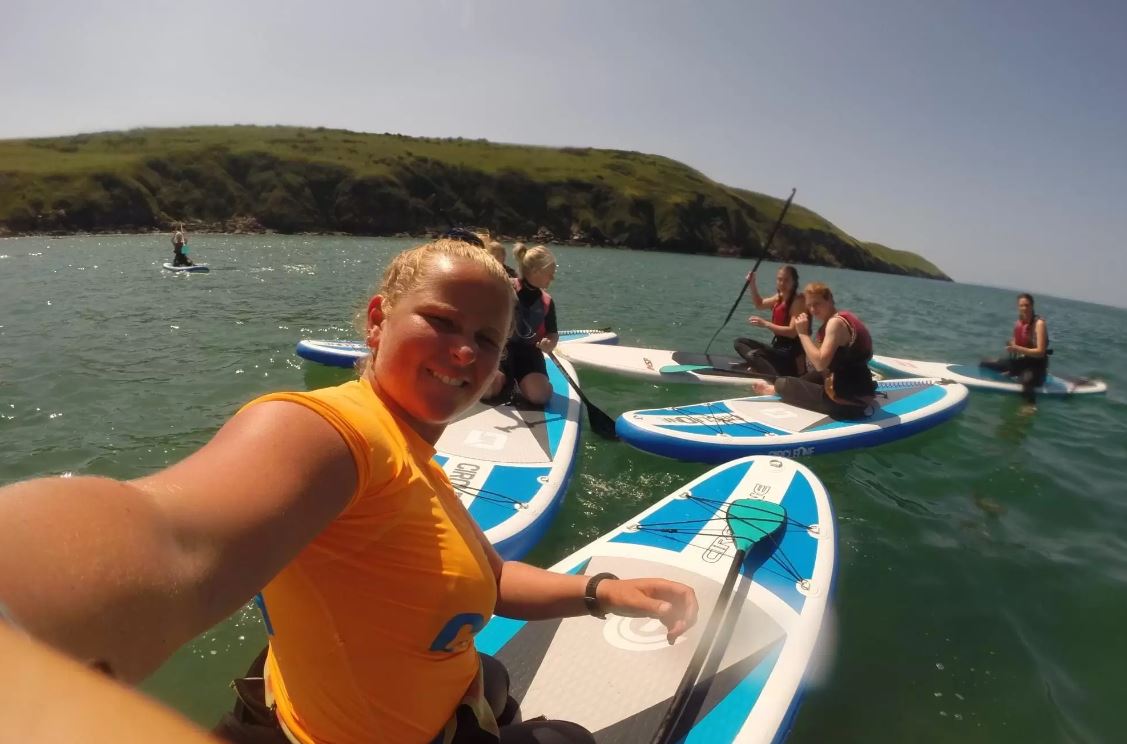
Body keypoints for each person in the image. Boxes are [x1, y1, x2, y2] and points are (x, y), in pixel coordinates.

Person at [0, 239, 697, 744]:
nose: (464, 351)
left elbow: (488, 579)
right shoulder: (330, 433)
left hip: (405, 701)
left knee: (490, 676)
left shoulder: (412, 451)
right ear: (376, 319)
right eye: (441, 321)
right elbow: (168, 537)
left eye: (486, 339)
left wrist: (599, 591)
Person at [749, 282, 877, 419]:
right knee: (794, 380)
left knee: (782, 383)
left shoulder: (835, 324)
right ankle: (778, 388)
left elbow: (820, 364)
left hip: (843, 403)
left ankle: (775, 390)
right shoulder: (847, 318)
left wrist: (802, 334)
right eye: (809, 305)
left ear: (829, 299)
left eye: (817, 304)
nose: (813, 309)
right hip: (863, 392)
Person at [484, 244, 559, 407]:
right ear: (536, 271)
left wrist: (550, 342)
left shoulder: (547, 301)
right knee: (488, 391)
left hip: (529, 354)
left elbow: (552, 332)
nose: (553, 278)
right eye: (550, 273)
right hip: (501, 350)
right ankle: (505, 380)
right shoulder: (505, 288)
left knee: (539, 397)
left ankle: (527, 383)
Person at [733, 266, 806, 376]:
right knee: (740, 343)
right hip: (777, 347)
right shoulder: (779, 297)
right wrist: (752, 283)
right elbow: (759, 304)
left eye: (786, 280)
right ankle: (761, 365)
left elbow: (792, 332)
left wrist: (765, 324)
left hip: (790, 353)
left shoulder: (798, 301)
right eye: (779, 279)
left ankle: (771, 374)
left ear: (794, 282)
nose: (782, 283)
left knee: (754, 354)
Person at [980, 292, 1051, 405]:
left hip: (1037, 365)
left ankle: (1030, 406)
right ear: (1018, 307)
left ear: (1032, 306)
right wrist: (1011, 345)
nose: (1024, 308)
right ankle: (1012, 372)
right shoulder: (1019, 323)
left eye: (1027, 305)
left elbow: (1040, 352)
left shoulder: (1039, 324)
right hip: (1022, 361)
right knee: (985, 362)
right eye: (1021, 305)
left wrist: (1017, 349)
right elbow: (1016, 342)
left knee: (1026, 381)